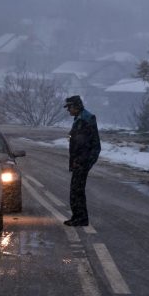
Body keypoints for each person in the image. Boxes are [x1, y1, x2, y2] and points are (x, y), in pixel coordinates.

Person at [63, 95, 101, 226]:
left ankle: (81, 218)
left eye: (69, 107)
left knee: (77, 191)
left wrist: (80, 161)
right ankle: (78, 217)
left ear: (76, 106)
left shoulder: (84, 120)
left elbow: (83, 145)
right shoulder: (80, 118)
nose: (68, 110)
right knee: (76, 190)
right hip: (81, 161)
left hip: (82, 161)